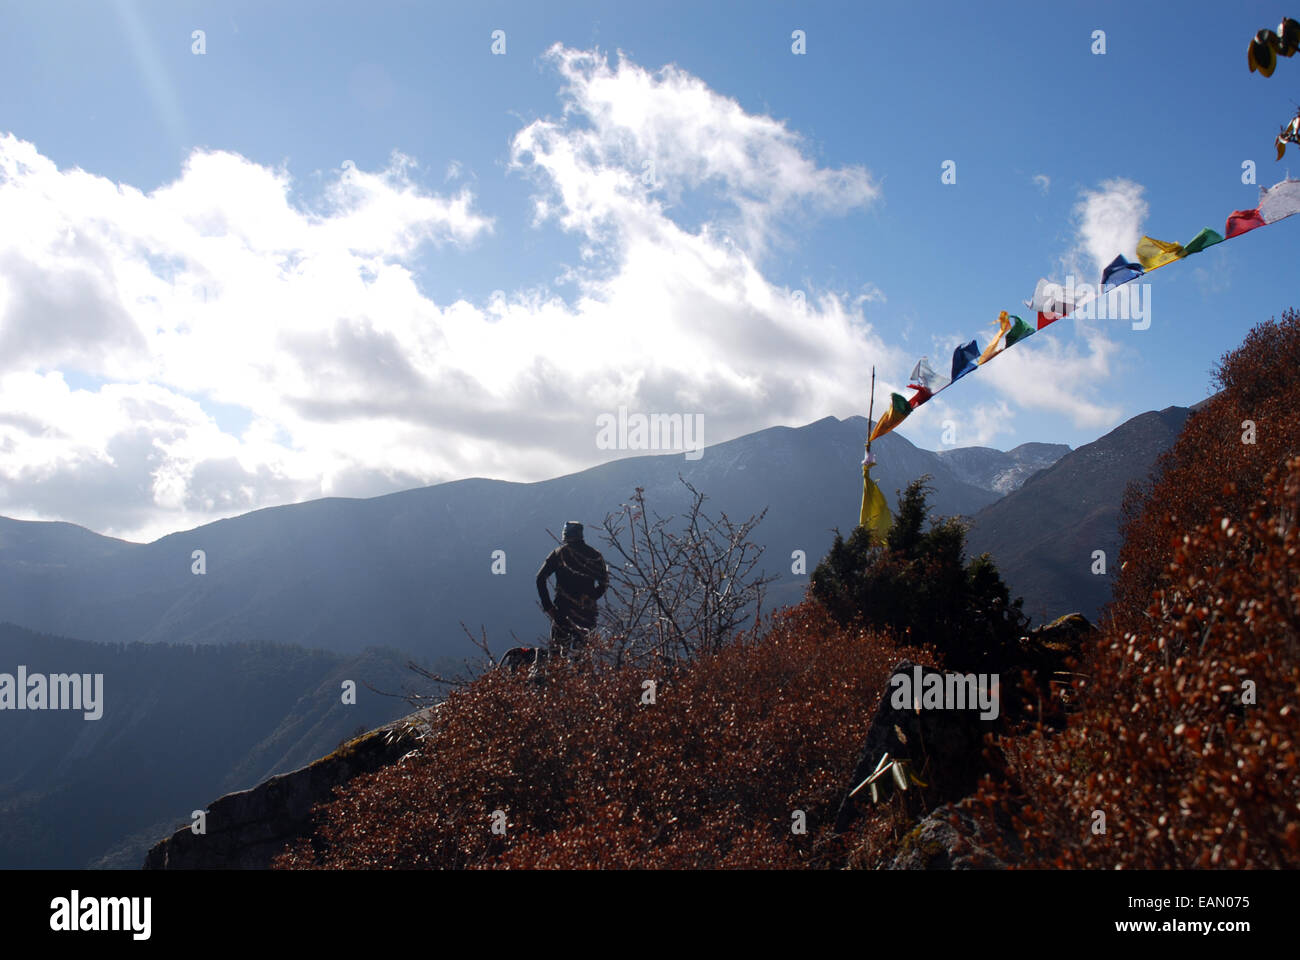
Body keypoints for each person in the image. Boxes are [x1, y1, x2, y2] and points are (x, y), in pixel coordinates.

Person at [535, 521, 608, 655]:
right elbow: (604, 583)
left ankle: (556, 674)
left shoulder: (559, 554)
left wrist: (548, 607)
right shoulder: (595, 555)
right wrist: (590, 598)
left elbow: (540, 578)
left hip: (562, 612)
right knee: (582, 656)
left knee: (556, 657)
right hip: (587, 614)